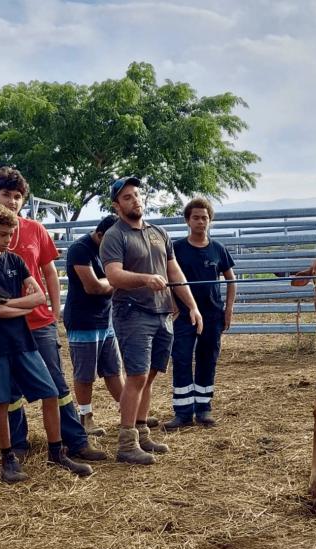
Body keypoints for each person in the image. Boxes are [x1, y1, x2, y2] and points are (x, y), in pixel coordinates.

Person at [0, 167, 105, 462]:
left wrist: (51, 309)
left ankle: (74, 442)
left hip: (38, 323)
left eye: (18, 196)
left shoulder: (35, 229)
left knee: (56, 384)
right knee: (7, 392)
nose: (12, 201)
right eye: (6, 195)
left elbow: (48, 269)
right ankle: (17, 447)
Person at [0, 204, 92, 482]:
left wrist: (9, 303)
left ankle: (56, 452)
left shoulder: (15, 261)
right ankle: (8, 458)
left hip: (24, 341)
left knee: (50, 393)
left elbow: (39, 298)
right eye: (2, 234)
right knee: (2, 402)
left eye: (11, 234)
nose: (8, 240)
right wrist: (19, 307)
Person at [101, 177, 202, 465]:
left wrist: (192, 306)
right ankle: (126, 442)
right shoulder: (115, 236)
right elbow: (114, 276)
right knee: (137, 376)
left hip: (162, 313)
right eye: (127, 197)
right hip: (132, 312)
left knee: (151, 376)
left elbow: (175, 274)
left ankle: (142, 432)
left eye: (137, 195)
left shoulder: (159, 233)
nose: (135, 200)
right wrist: (145, 279)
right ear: (117, 205)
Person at [164, 197, 236, 431]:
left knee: (208, 359)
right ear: (187, 220)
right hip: (184, 316)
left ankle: (204, 408)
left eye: (204, 218)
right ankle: (183, 412)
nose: (200, 221)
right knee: (182, 358)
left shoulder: (218, 249)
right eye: (195, 217)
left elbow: (231, 280)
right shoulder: (176, 249)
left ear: (210, 221)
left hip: (213, 315)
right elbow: (167, 278)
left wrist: (228, 309)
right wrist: (173, 304)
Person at [63, 214, 123, 437]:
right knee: (85, 374)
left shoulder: (111, 249)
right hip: (83, 320)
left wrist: (113, 281)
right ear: (100, 235)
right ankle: (85, 417)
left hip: (105, 318)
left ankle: (129, 411)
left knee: (113, 369)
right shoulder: (80, 249)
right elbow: (93, 287)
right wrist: (117, 280)